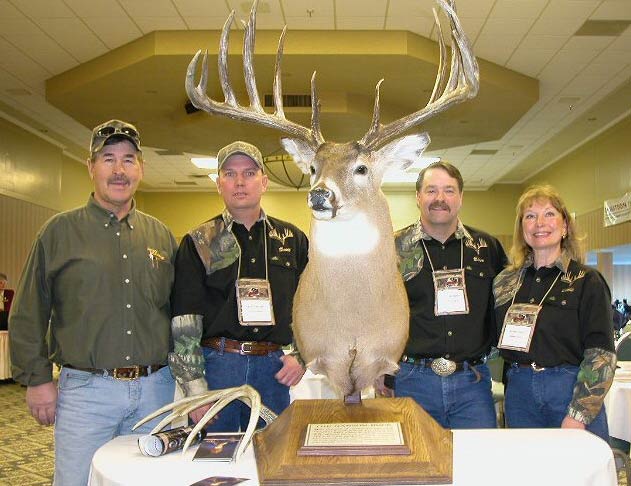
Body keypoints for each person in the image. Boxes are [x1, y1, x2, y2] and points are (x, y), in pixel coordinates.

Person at [9, 119, 178, 485]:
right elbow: (27, 312)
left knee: (148, 481)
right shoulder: (58, 232)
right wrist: (37, 379)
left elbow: (180, 313)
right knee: (77, 480)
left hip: (156, 390)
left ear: (141, 169)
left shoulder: (161, 236)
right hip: (87, 393)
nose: (119, 170)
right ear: (90, 167)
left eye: (129, 159)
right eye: (108, 158)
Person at [169, 140, 308, 431]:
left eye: (249, 173)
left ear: (264, 182)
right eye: (230, 174)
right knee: (217, 461)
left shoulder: (292, 239)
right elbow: (185, 319)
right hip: (218, 367)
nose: (240, 182)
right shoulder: (200, 240)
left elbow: (312, 306)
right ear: (219, 183)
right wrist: (194, 390)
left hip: (273, 369)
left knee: (269, 458)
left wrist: (302, 356)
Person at [493, 184, 615, 442]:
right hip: (519, 391)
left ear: (565, 226)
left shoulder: (586, 280)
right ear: (522, 228)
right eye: (530, 216)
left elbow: (601, 353)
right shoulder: (505, 282)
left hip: (568, 389)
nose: (540, 223)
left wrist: (579, 413)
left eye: (549, 214)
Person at [392, 161, 507, 428]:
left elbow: (508, 306)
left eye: (449, 190)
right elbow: (376, 312)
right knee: (417, 466)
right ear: (418, 197)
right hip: (412, 380)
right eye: (431, 190)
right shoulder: (394, 248)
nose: (440, 199)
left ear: (461, 198)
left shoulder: (487, 248)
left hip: (472, 382)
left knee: (477, 464)